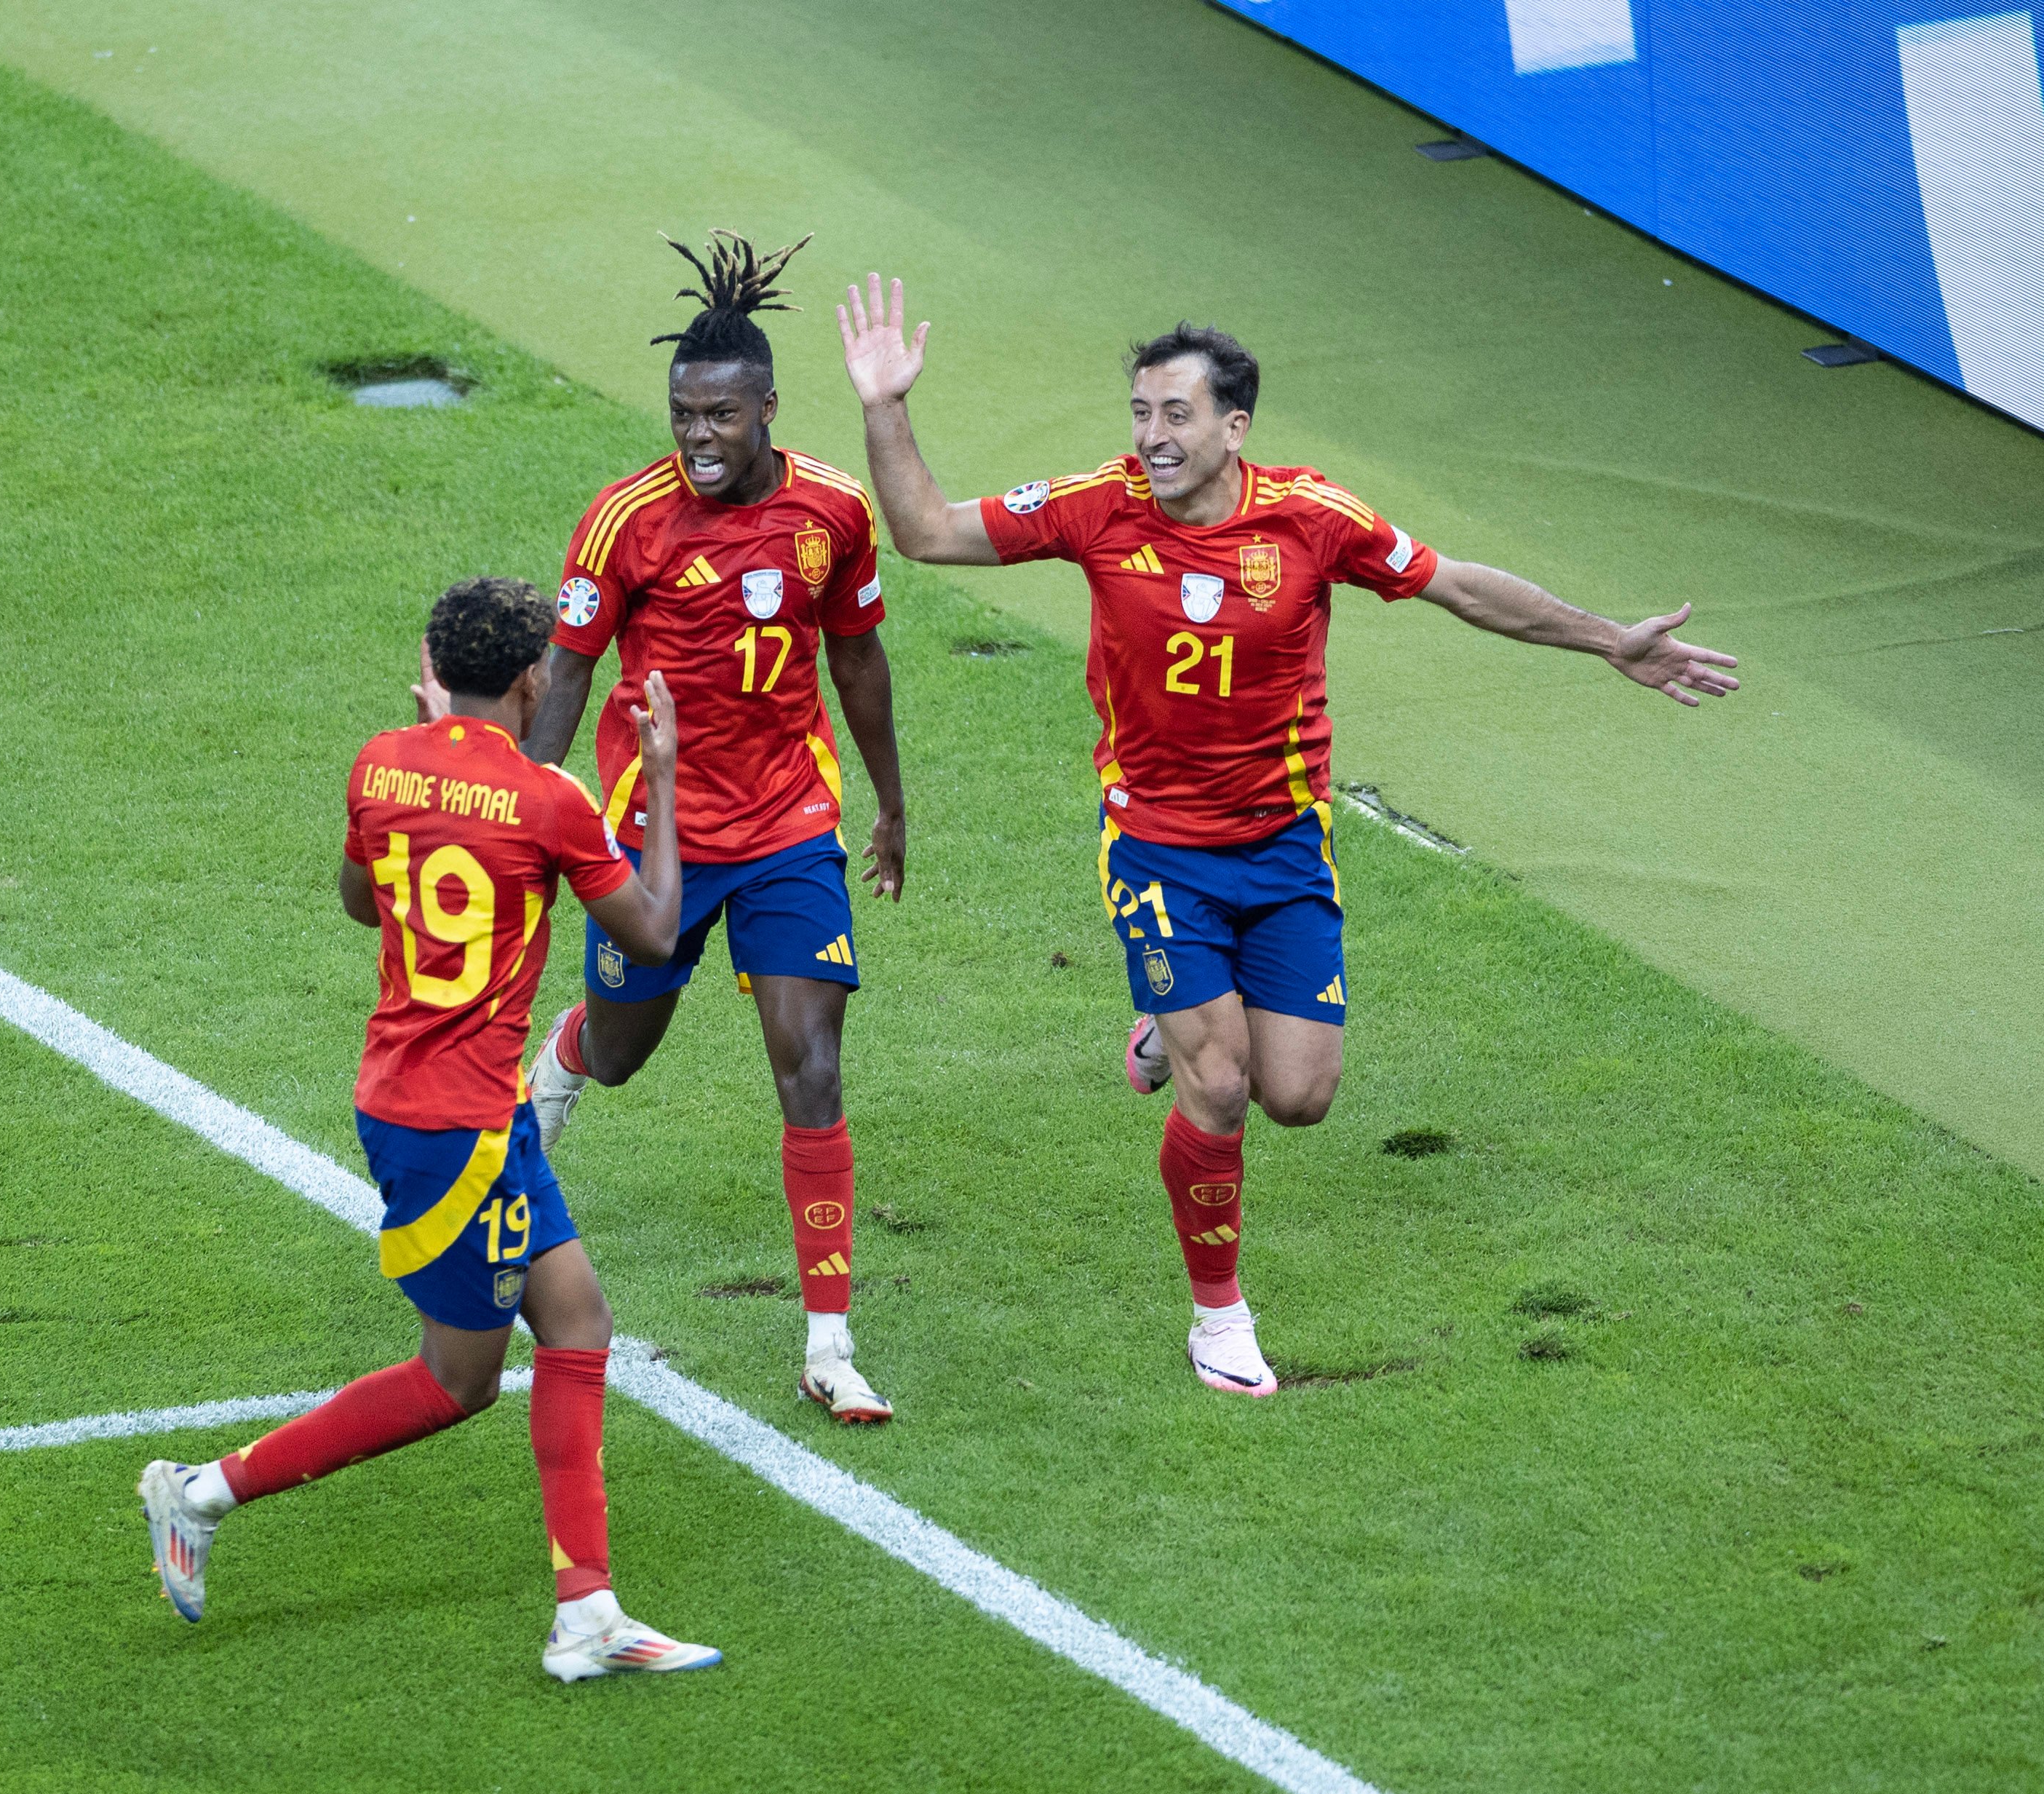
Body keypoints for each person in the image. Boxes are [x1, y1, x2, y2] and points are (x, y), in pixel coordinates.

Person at [838, 277, 1739, 1397]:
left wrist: (1611, 640)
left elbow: (1460, 587)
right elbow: (926, 532)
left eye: (1175, 415)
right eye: (1140, 413)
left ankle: (1171, 1017)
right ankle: (1218, 1316)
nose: (1152, 437)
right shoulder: (1094, 507)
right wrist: (885, 405)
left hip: (1282, 848)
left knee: (1299, 1095)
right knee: (1220, 1089)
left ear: (1234, 427)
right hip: (1158, 849)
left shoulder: (1312, 519)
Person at [140, 576, 721, 1681]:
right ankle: (203, 1491)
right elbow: (650, 934)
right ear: (531, 678)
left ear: (436, 669)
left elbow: (362, 901)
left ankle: (588, 1609)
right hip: (460, 1129)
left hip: (439, 1101)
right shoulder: (549, 798)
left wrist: (425, 752)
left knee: (581, 1324)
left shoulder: (379, 762)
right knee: (457, 1379)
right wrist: (660, 775)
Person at [520, 231, 906, 1424]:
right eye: (683, 413)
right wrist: (516, 813)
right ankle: (566, 1060)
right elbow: (570, 674)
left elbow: (859, 659)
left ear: (767, 411)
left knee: (813, 1061)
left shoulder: (834, 510)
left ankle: (829, 1343)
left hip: (793, 820)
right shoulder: (624, 522)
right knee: (628, 1050)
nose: (696, 435)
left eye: (721, 416)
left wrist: (891, 800)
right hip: (659, 834)